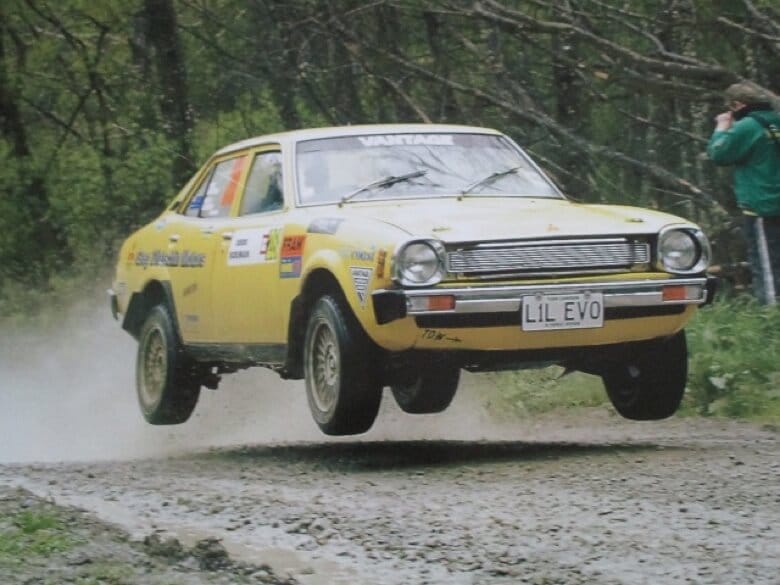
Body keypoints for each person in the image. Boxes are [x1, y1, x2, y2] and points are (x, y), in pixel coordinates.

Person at [707, 82, 780, 306]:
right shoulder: (775, 119)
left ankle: (772, 319)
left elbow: (718, 153)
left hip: (762, 206)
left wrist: (722, 126)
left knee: (767, 268)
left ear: (737, 105)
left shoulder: (748, 126)